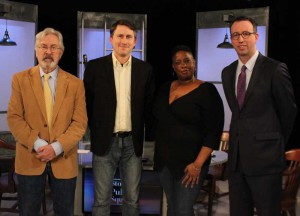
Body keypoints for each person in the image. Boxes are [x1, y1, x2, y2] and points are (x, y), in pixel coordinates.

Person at [7, 27, 88, 216]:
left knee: (65, 212)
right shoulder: (19, 80)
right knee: (28, 211)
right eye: (43, 47)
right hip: (30, 158)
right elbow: (14, 117)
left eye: (53, 47)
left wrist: (57, 147)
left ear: (61, 52)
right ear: (36, 50)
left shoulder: (76, 84)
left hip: (64, 159)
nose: (48, 52)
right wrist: (38, 144)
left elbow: (79, 123)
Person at [221, 16, 297, 216]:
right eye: (235, 35)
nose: (240, 39)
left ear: (256, 36)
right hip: (237, 161)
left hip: (266, 160)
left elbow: (288, 112)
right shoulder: (227, 73)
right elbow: (239, 114)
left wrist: (274, 144)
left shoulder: (275, 69)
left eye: (246, 33)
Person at [83, 19, 155, 216]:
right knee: (100, 201)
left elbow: (149, 107)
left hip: (133, 143)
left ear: (135, 41)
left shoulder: (145, 70)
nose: (124, 40)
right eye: (120, 36)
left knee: (132, 200)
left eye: (129, 37)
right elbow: (86, 104)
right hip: (104, 142)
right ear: (111, 39)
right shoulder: (94, 68)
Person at [153, 45, 224, 216]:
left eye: (187, 61)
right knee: (172, 206)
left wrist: (197, 165)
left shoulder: (207, 91)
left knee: (183, 209)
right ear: (173, 66)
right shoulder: (164, 88)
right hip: (164, 162)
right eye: (178, 62)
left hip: (191, 164)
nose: (183, 65)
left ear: (194, 63)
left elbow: (213, 132)